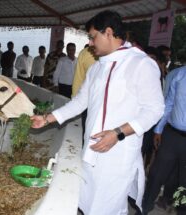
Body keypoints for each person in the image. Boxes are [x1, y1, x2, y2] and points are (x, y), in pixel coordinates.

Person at [31, 10, 164, 215]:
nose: (91, 44)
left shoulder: (141, 64)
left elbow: (155, 110)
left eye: (93, 37)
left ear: (108, 33)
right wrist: (47, 119)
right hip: (92, 148)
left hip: (118, 152)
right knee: (88, 202)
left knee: (108, 207)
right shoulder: (96, 68)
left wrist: (118, 133)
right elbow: (80, 102)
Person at [142, 65, 186, 215]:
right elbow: (169, 103)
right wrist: (158, 129)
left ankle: (181, 210)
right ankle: (144, 208)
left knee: (184, 183)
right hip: (172, 135)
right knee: (156, 174)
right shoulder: (180, 75)